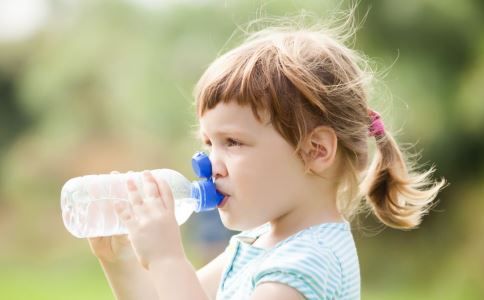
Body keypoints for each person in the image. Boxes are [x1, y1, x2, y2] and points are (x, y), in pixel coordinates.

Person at [88, 18, 447, 300]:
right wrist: (121, 261)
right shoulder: (257, 244)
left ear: (315, 151)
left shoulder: (309, 264)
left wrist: (167, 259)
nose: (211, 163)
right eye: (209, 142)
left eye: (233, 142)